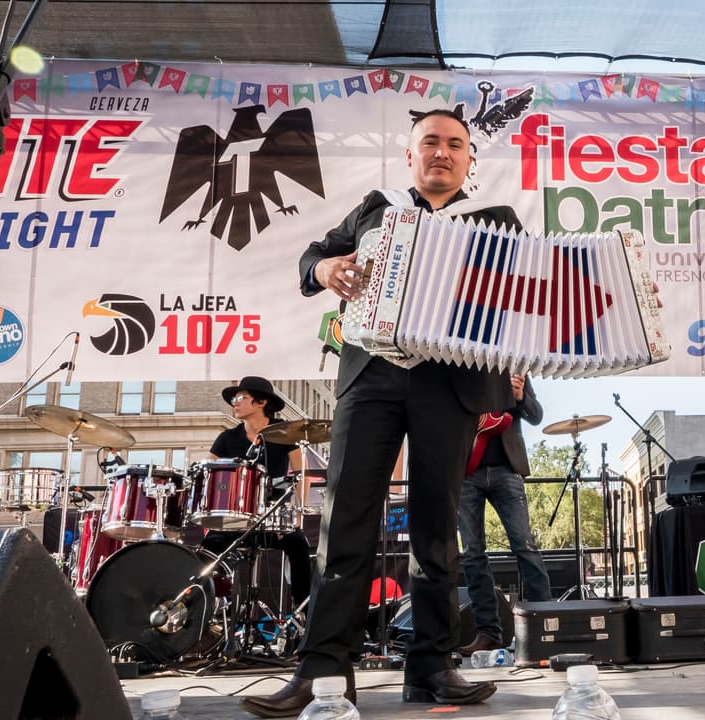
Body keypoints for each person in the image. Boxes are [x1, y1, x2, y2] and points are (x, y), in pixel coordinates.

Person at [240, 108, 517, 717]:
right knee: (345, 521)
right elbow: (311, 258)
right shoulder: (376, 207)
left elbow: (520, 301)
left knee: (437, 528)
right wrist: (325, 267)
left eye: (455, 144)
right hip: (371, 376)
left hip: (452, 383)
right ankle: (321, 674)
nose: (441, 152)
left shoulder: (496, 223)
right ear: (411, 156)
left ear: (471, 160)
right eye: (429, 143)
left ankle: (433, 668)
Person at [456, 373, 551, 656]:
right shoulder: (461, 368)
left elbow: (536, 415)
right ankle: (488, 633)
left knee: (525, 545)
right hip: (465, 469)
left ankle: (543, 622)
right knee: (472, 553)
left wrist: (520, 397)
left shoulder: (513, 368)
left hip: (507, 469)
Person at [201, 376, 312, 608]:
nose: (235, 403)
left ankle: (304, 612)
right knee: (205, 551)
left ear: (261, 402)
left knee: (299, 545)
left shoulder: (285, 433)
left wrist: (298, 514)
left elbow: (303, 473)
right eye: (234, 398)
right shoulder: (227, 438)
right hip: (236, 518)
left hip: (271, 517)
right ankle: (206, 609)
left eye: (241, 398)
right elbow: (206, 471)